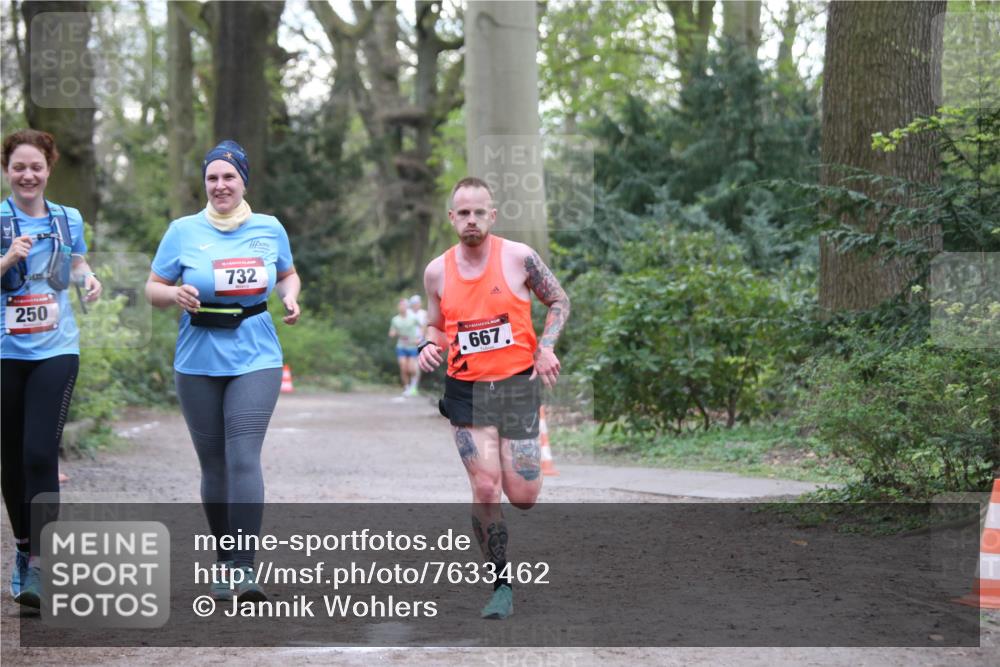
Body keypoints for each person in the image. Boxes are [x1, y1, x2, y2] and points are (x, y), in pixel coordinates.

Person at [145, 140, 300, 603]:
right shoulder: (182, 231)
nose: (220, 185)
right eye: (212, 178)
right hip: (197, 358)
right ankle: (225, 561)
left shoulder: (269, 229)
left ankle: (245, 568)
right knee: (213, 465)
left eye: (228, 177)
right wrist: (173, 296)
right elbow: (153, 286)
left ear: (243, 180)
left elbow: (289, 273)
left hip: (256, 353)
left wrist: (290, 296)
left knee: (242, 457)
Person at [417, 176, 570, 619]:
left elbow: (558, 300)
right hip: (466, 391)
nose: (470, 220)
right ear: (451, 218)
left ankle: (528, 449)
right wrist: (429, 344)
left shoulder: (520, 258)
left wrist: (546, 347)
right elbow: (435, 324)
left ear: (492, 215)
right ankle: (501, 585)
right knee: (485, 487)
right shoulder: (436, 271)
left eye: (478, 212)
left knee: (522, 495)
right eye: (462, 212)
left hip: (518, 386)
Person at [1, 129, 102, 608]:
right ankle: (22, 551)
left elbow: (77, 262)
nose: (27, 175)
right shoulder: (0, 218)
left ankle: (39, 564)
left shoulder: (68, 218)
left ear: (49, 169)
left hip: (56, 349)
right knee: (11, 459)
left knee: (40, 453)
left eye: (36, 166)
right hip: (4, 352)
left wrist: (88, 278)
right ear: (7, 170)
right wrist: (8, 258)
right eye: (19, 166)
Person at [389, 297, 421, 396]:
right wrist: (393, 333)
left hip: (412, 346)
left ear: (407, 307)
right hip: (401, 346)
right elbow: (392, 331)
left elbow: (423, 326)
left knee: (411, 368)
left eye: (404, 305)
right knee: (403, 367)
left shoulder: (413, 318)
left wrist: (419, 338)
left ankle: (413, 386)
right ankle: (406, 388)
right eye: (400, 305)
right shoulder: (395, 319)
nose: (402, 307)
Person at [407, 294, 428, 394]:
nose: (417, 304)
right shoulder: (408, 313)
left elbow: (425, 327)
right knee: (407, 366)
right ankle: (410, 386)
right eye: (415, 303)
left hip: (419, 341)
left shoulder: (424, 313)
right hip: (408, 342)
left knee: (415, 365)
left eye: (418, 302)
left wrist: (421, 339)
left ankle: (414, 386)